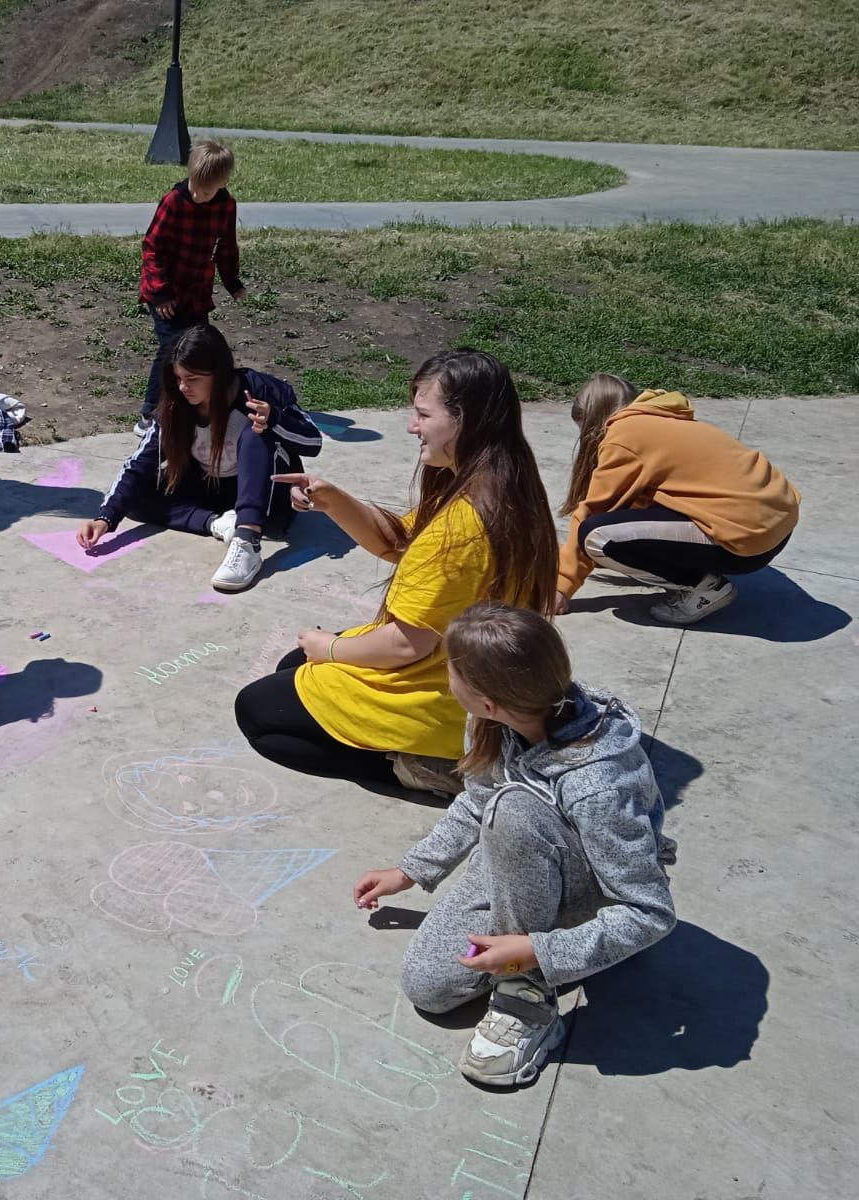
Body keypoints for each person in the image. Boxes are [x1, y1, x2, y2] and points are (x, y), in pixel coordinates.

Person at [352, 602, 676, 1088]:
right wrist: (412, 869)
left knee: (516, 810)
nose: (446, 680)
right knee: (429, 987)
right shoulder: (494, 720)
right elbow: (477, 800)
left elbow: (649, 911)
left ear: (486, 700)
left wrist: (538, 952)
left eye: (450, 672)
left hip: (590, 887)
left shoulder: (596, 786)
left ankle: (526, 993)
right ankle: (529, 945)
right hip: (517, 857)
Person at [232, 349, 556, 796]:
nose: (411, 426)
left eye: (423, 414)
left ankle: (432, 765)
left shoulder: (461, 528)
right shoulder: (500, 483)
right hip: (477, 672)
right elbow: (400, 541)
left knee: (258, 712)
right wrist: (333, 499)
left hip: (450, 698)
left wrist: (330, 648)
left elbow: (406, 644)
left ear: (467, 420)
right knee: (293, 665)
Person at [79, 324, 322, 593]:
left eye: (192, 379)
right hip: (211, 491)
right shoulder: (175, 405)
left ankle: (247, 540)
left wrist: (274, 419)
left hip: (267, 499)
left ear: (218, 373)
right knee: (135, 495)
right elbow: (139, 464)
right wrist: (104, 518)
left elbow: (313, 442)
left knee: (256, 433)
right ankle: (219, 523)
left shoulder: (259, 390)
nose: (183, 387)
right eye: (178, 378)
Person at [556, 373, 800, 626]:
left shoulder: (624, 437)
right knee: (620, 527)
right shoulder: (664, 420)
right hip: (774, 528)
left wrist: (562, 585)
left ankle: (706, 589)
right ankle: (697, 569)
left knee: (597, 537)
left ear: (592, 421)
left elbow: (594, 511)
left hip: (747, 541)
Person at [134, 139, 247, 438]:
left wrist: (233, 283)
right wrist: (160, 293)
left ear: (224, 183)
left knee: (197, 349)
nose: (198, 195)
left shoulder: (226, 206)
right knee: (172, 347)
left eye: (207, 192)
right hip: (165, 291)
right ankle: (150, 413)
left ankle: (191, 408)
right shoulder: (173, 201)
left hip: (196, 293)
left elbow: (227, 248)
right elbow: (152, 248)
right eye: (195, 187)